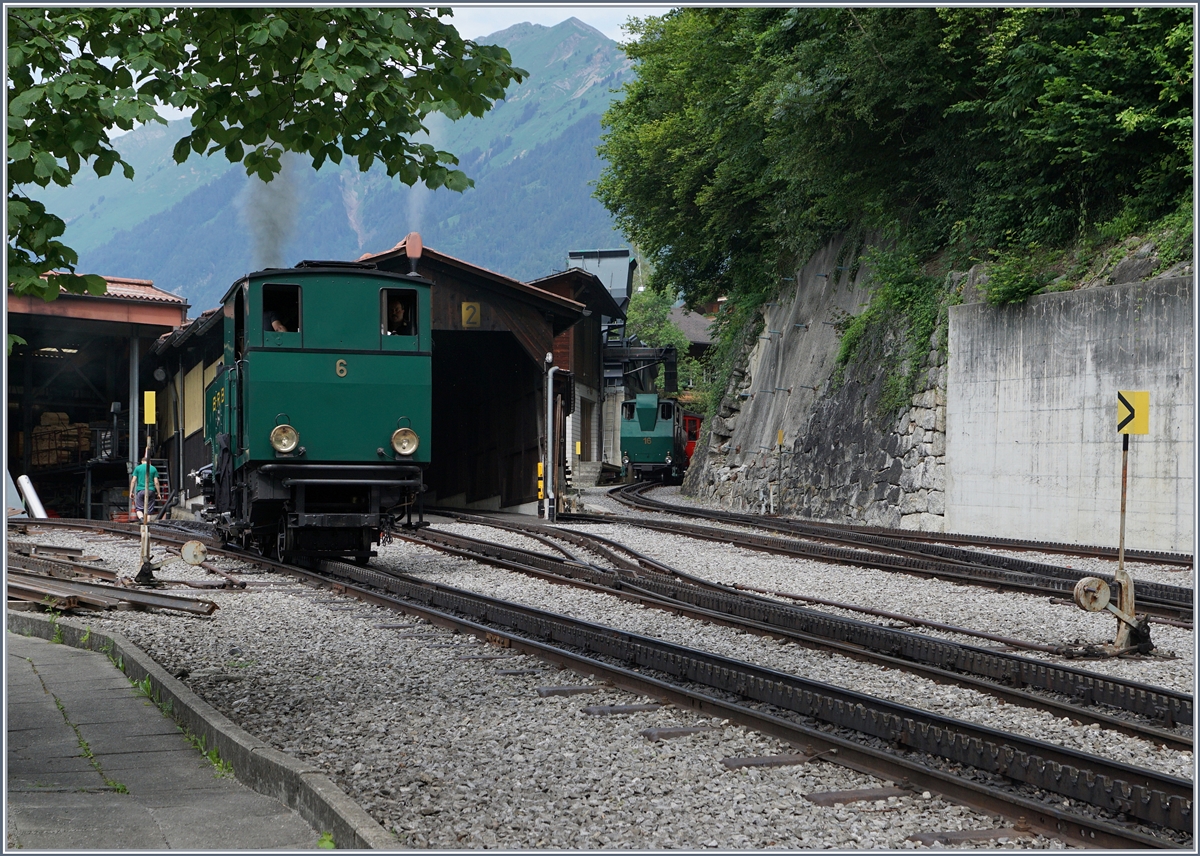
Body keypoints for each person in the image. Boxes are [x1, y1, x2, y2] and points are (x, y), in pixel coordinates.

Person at [129, 455, 162, 522]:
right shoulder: (153, 468)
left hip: (140, 491)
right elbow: (156, 482)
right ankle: (147, 524)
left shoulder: (137, 468)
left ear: (141, 461)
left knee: (139, 509)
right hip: (151, 491)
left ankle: (141, 519)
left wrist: (131, 492)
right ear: (150, 462)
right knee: (149, 510)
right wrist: (159, 493)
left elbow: (133, 481)